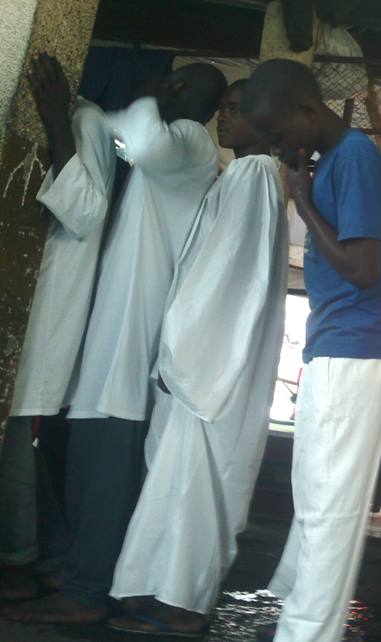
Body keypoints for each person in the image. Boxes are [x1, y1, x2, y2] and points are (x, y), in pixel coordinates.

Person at [7, 62, 226, 624]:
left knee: (101, 475)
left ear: (180, 89)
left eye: (172, 81)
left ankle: (86, 594)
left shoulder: (191, 142)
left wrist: (141, 95)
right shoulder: (171, 148)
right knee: (78, 465)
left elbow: (143, 139)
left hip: (130, 339)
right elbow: (122, 135)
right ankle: (78, 576)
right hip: (111, 331)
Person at [101, 79, 288, 637]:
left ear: (267, 119)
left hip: (210, 373)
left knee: (198, 492)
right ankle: (162, 595)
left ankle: (182, 607)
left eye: (237, 110)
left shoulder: (254, 177)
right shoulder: (244, 174)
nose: (224, 118)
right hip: (206, 369)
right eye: (224, 109)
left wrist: (180, 355)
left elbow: (228, 279)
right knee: (181, 488)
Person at [241, 59, 381, 642]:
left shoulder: (354, 157)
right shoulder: (334, 158)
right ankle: (298, 613)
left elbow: (363, 268)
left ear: (309, 111)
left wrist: (303, 203)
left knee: (329, 503)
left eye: (277, 133)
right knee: (316, 491)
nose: (275, 146)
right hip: (339, 342)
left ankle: (307, 631)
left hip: (354, 345)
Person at [0, 54, 115, 602]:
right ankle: (49, 554)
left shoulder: (85, 119)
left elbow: (86, 212)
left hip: (45, 309)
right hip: (24, 303)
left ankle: (20, 561)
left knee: (15, 436)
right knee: (17, 439)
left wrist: (54, 120)